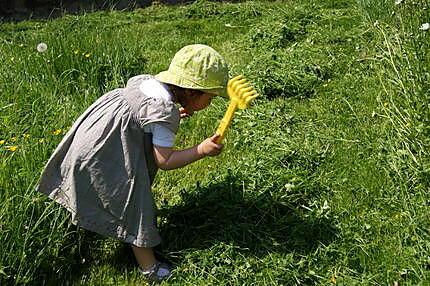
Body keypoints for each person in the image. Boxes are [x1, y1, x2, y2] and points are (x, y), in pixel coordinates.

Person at [36, 44, 229, 281]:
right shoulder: (163, 113)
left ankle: (81, 226)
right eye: (209, 97)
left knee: (91, 188)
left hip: (89, 144)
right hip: (104, 156)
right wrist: (202, 149)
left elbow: (142, 114)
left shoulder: (147, 85)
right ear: (191, 92)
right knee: (134, 204)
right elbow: (165, 160)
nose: (209, 104)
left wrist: (166, 117)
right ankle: (150, 269)